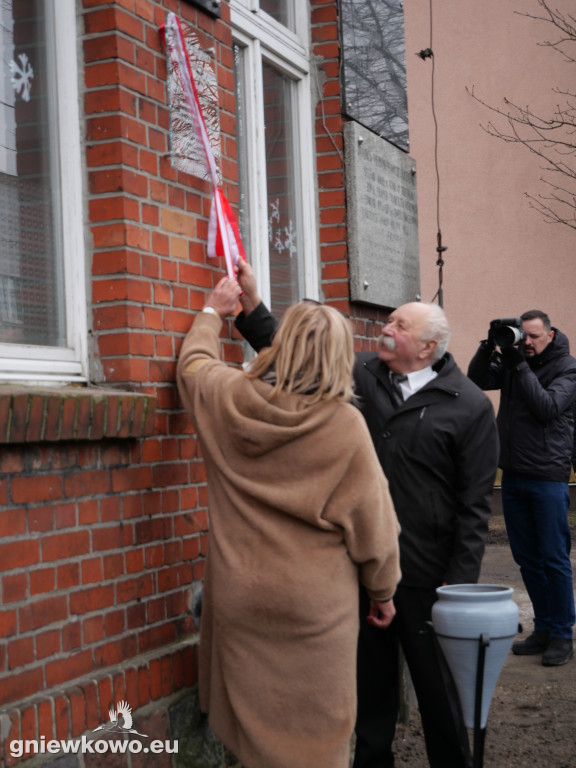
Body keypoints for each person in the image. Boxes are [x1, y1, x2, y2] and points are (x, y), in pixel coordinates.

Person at [233, 260, 499, 768]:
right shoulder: (360, 375)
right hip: (361, 565)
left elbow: (474, 506)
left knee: (438, 694)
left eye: (399, 324)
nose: (386, 328)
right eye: (389, 320)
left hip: (426, 576)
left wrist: (457, 589)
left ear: (427, 347)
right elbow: (299, 357)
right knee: (369, 693)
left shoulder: (468, 407)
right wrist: (252, 306)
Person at [176, 275, 401, 768]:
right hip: (315, 608)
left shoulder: (231, 398)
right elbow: (375, 531)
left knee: (255, 730)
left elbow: (193, 366)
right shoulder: (343, 425)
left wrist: (215, 311)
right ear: (341, 357)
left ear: (283, 346)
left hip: (241, 595)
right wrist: (383, 593)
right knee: (318, 732)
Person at [468, 310, 576, 666]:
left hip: (548, 477)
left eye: (533, 337)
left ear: (550, 333)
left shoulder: (567, 369)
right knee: (527, 558)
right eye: (521, 336)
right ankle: (543, 627)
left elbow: (546, 408)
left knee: (554, 559)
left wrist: (517, 364)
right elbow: (478, 380)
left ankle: (562, 633)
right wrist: (489, 346)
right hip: (513, 475)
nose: (526, 343)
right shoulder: (517, 361)